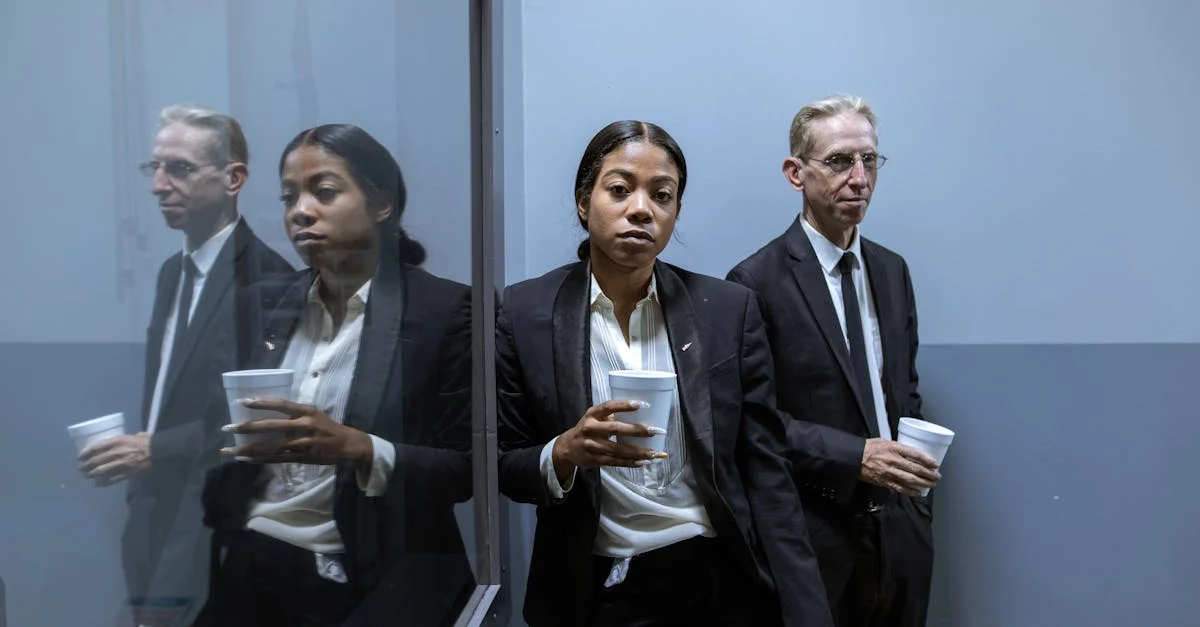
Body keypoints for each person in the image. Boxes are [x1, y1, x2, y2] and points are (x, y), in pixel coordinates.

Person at [497, 120, 832, 627]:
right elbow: (505, 464)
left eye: (662, 195)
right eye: (619, 189)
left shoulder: (728, 310)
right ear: (584, 202)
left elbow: (766, 468)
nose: (641, 209)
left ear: (675, 212)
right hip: (592, 584)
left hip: (712, 577)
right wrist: (563, 452)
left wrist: (807, 609)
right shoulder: (525, 312)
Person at [198, 124, 475, 626]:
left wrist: (357, 447)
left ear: (381, 204)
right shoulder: (262, 305)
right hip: (250, 562)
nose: (300, 211)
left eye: (323, 192)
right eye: (289, 197)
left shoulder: (443, 310)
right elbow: (210, 437)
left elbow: (467, 470)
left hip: (369, 574)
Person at [727, 94, 941, 627]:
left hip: (899, 535)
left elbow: (904, 394)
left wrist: (915, 504)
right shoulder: (755, 282)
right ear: (795, 173)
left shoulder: (892, 271)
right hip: (814, 537)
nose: (859, 178)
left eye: (869, 160)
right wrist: (855, 456)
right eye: (840, 161)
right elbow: (753, 424)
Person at [77, 104, 292, 624]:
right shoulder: (172, 273)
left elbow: (255, 422)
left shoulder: (268, 279)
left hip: (213, 514)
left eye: (179, 168)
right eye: (154, 167)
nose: (158, 185)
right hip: (153, 508)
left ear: (233, 178)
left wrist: (153, 449)